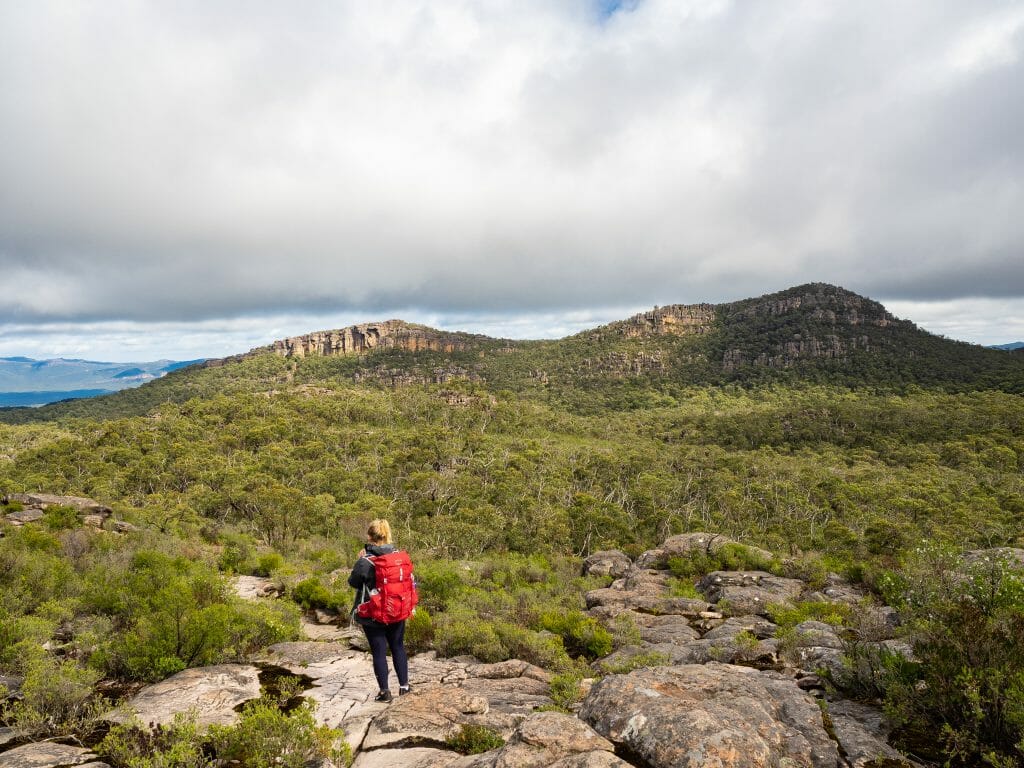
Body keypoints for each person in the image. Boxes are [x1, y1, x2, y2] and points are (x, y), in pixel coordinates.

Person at [348, 518, 411, 702]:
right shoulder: (399, 557)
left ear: (369, 536)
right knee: (398, 646)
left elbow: (353, 582)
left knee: (379, 652)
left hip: (373, 613)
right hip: (397, 610)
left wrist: (360, 560)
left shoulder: (366, 561)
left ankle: (385, 692)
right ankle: (405, 687)